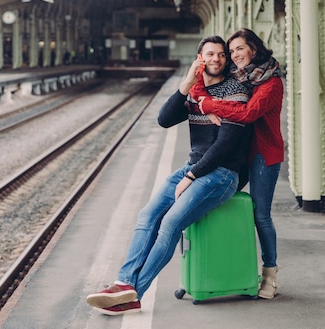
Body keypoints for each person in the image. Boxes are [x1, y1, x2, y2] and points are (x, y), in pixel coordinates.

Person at [85, 36, 253, 315]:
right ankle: (123, 283)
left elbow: (226, 146)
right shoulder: (196, 93)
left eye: (222, 54)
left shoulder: (236, 90)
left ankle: (133, 294)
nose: (216, 59)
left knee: (171, 222)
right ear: (200, 58)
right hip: (193, 169)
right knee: (147, 215)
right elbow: (164, 119)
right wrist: (186, 84)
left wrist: (191, 177)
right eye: (210, 54)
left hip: (222, 174)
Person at [192, 28, 284, 299]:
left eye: (239, 49)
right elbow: (201, 87)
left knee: (261, 214)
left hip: (262, 155)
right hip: (238, 153)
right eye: (231, 52)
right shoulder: (238, 78)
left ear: (253, 50)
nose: (234, 55)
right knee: (214, 201)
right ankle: (220, 269)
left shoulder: (271, 83)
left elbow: (246, 113)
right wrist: (200, 90)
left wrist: (211, 105)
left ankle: (270, 275)